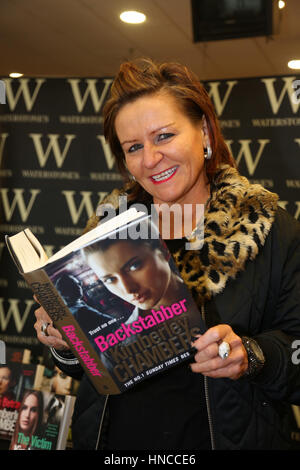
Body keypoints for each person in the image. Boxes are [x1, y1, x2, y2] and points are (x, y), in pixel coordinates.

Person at [34, 58, 300, 450]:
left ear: (205, 132)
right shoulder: (103, 234)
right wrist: (63, 343)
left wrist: (252, 356)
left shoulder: (269, 229)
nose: (150, 159)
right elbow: (91, 368)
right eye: (134, 147)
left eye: (163, 136)